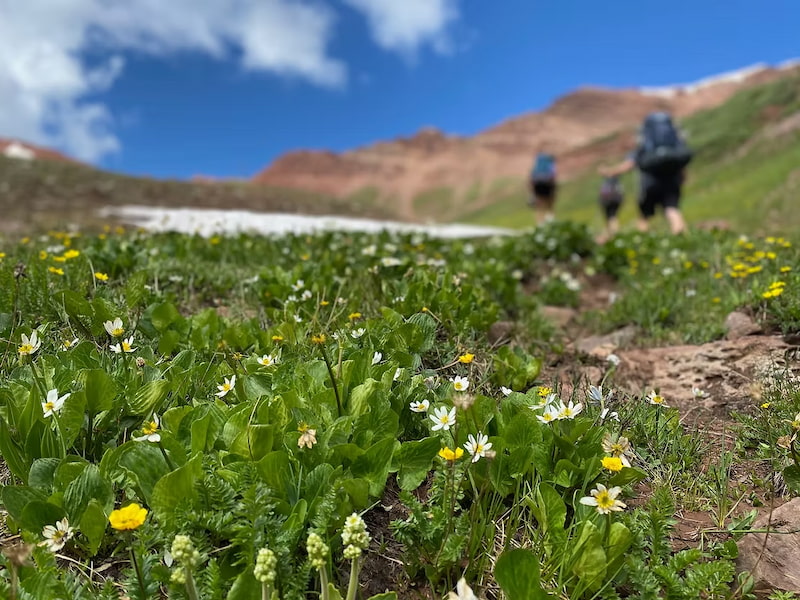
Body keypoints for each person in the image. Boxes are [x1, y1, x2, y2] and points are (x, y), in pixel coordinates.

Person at [599, 112, 692, 234]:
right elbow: (681, 163)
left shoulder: (645, 144)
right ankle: (682, 237)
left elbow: (629, 164)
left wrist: (610, 171)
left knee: (644, 215)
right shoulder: (672, 143)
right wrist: (682, 177)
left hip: (650, 183)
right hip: (672, 180)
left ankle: (641, 241)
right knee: (672, 209)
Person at [528, 152, 557, 224]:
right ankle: (551, 220)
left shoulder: (537, 165)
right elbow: (553, 175)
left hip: (537, 185)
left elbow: (532, 177)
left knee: (538, 206)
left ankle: (539, 223)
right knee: (549, 205)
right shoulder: (550, 163)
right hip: (548, 185)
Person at [598, 175, 624, 241]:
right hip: (617, 198)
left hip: (608, 199)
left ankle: (613, 236)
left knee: (611, 217)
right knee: (612, 217)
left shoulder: (608, 178)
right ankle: (610, 236)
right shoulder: (617, 181)